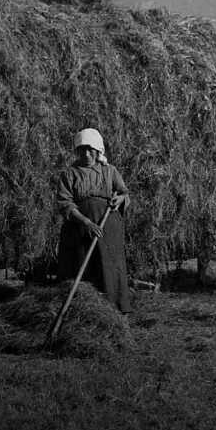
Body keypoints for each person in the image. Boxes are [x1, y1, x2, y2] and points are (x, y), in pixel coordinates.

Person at [55, 128, 132, 313]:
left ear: (98, 151)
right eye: (81, 150)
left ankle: (114, 309)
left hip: (108, 227)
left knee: (110, 265)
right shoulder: (69, 174)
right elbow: (65, 203)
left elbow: (125, 193)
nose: (86, 154)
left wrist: (119, 200)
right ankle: (84, 311)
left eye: (90, 149)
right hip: (79, 229)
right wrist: (86, 222)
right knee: (83, 265)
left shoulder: (110, 171)